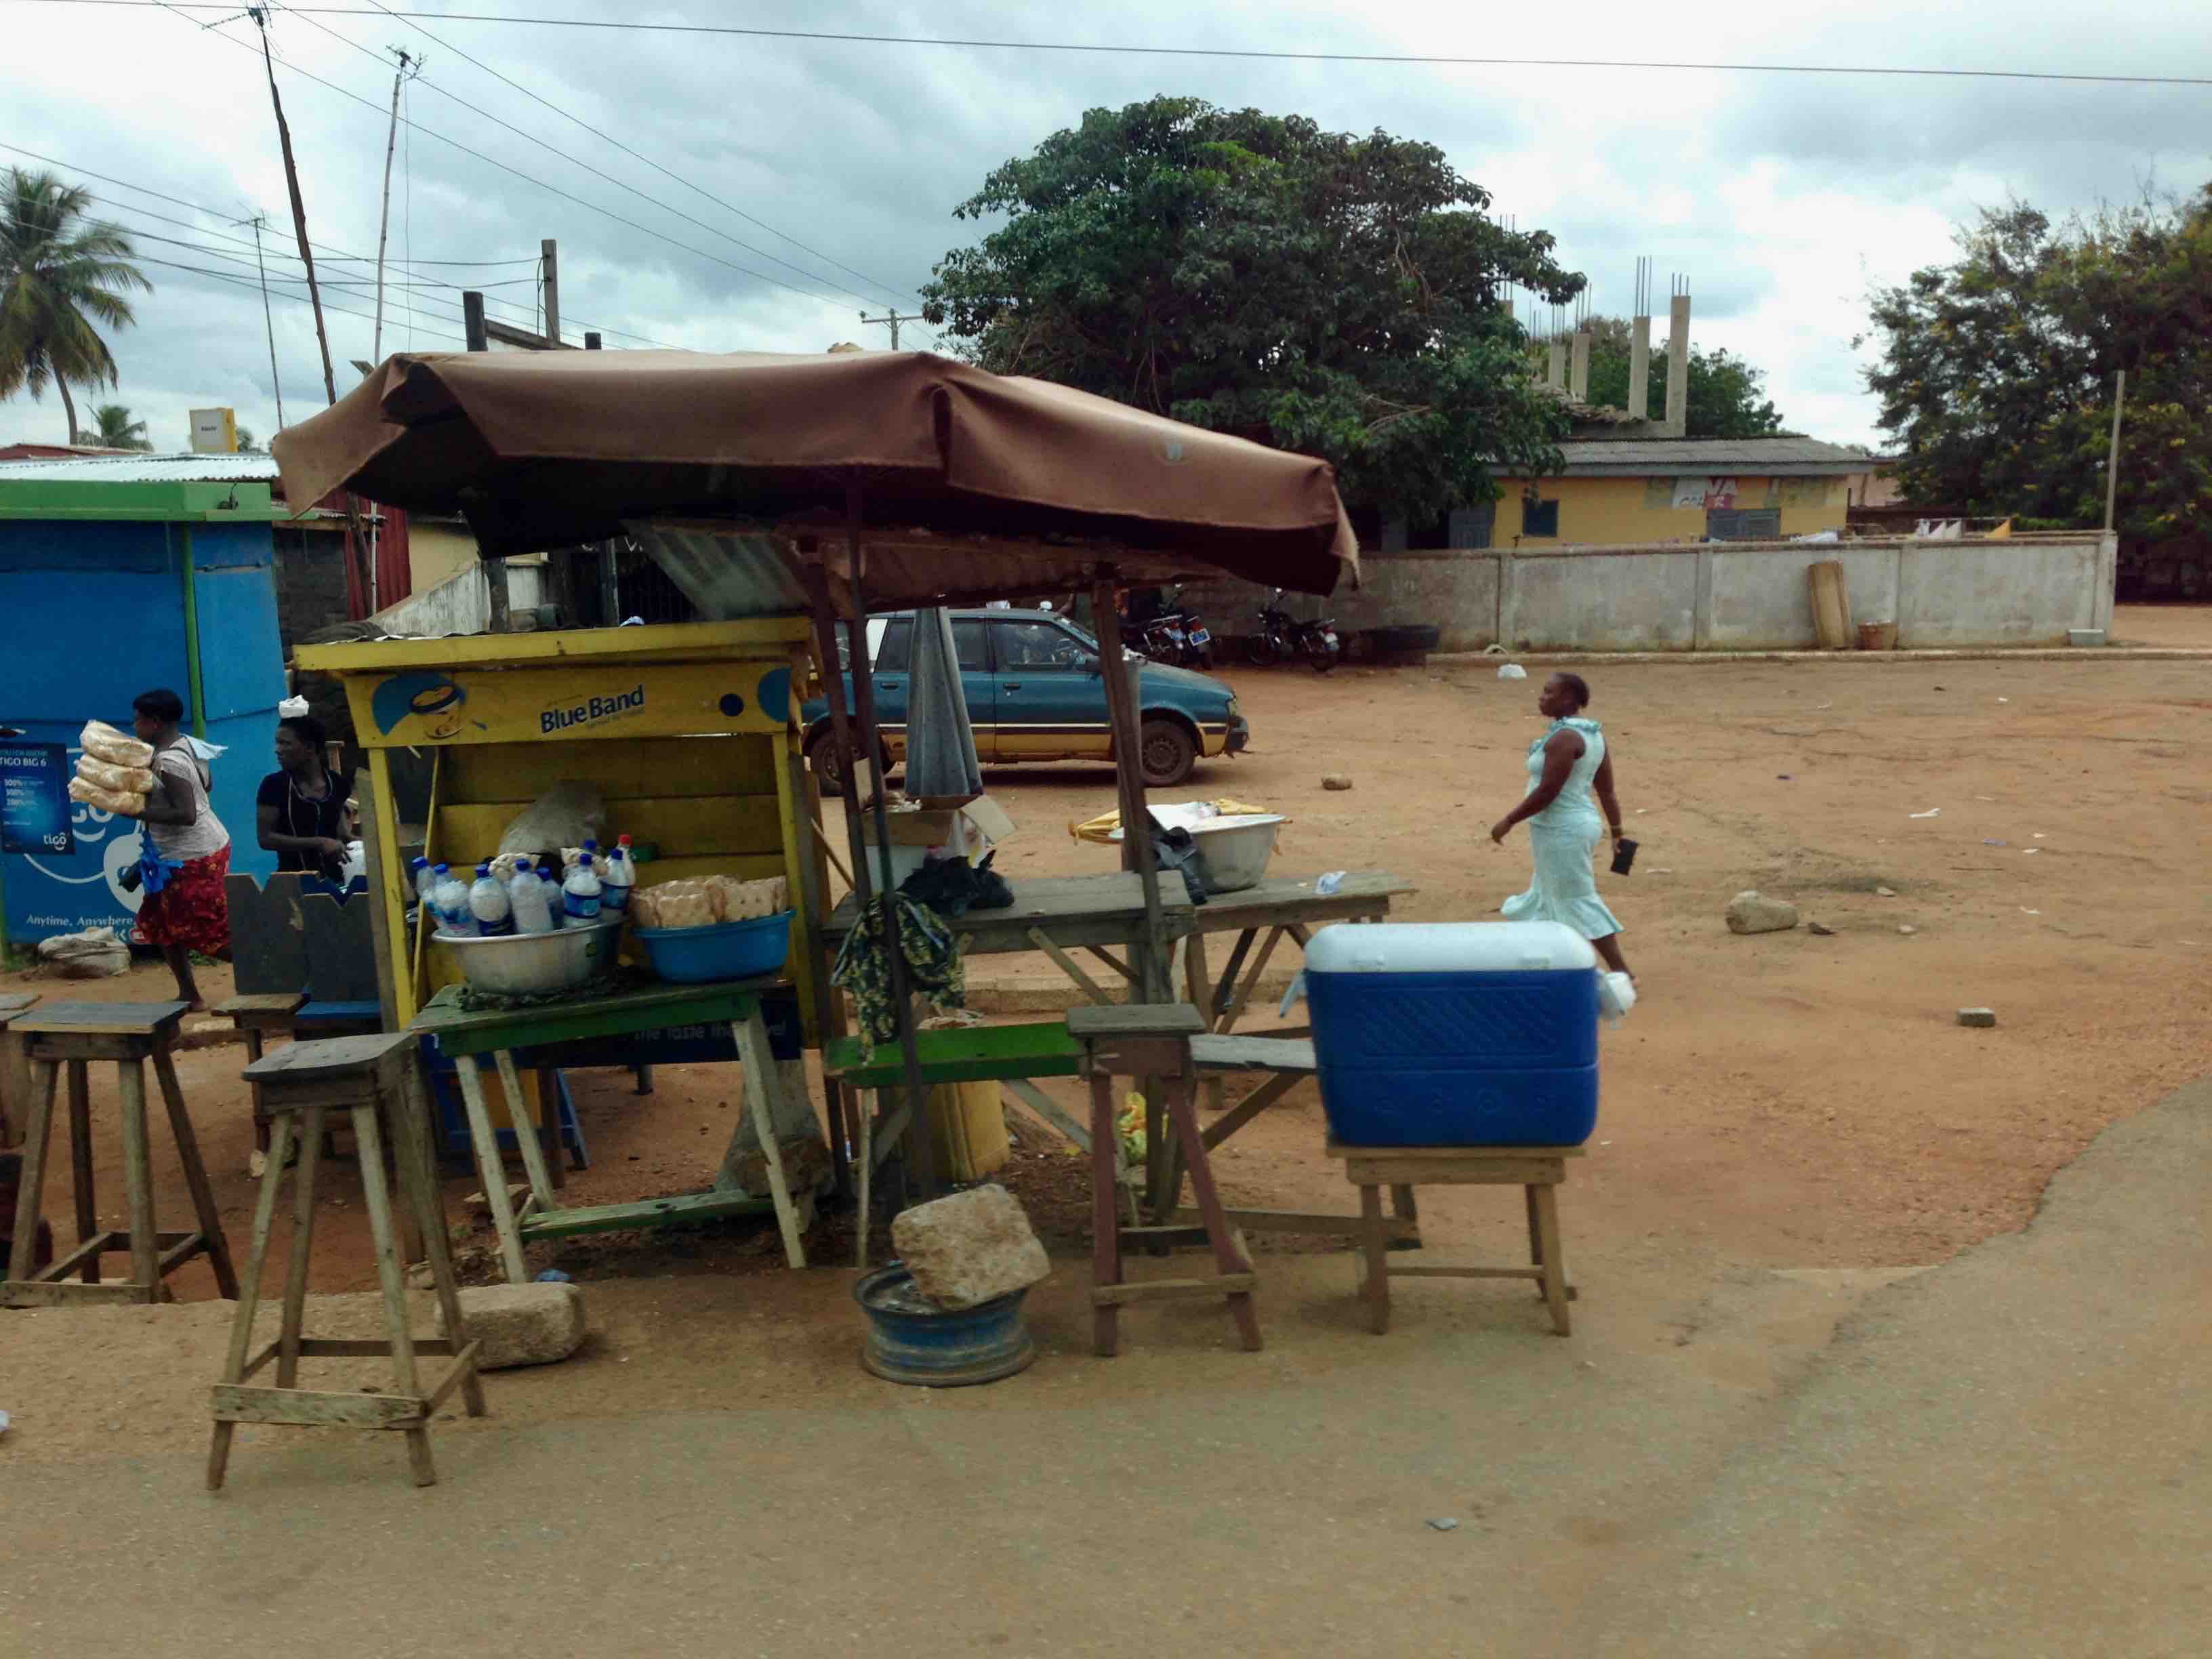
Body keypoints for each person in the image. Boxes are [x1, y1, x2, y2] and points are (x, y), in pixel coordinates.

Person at [1489, 672, 1633, 981]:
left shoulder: (1565, 738)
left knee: (1576, 898)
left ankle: (1623, 973)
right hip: (1572, 826)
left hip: (1562, 829)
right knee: (1547, 894)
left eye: (1548, 692)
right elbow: (1606, 790)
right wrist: (1617, 832)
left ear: (1568, 699)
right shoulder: (1593, 734)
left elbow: (1547, 792)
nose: (1541, 697)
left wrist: (1509, 821)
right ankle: (1547, 966)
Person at [125, 688, 231, 1011]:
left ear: (155, 722)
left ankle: (270, 975)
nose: (134, 726)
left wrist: (139, 811)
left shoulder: (168, 761)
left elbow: (186, 815)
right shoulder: (188, 744)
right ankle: (189, 994)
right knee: (163, 922)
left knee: (207, 930)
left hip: (193, 855)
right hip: (171, 853)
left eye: (139, 721)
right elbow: (207, 786)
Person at [257, 714, 349, 879]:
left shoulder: (337, 783)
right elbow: (265, 838)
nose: (277, 750)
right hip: (293, 883)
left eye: (285, 743)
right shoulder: (274, 786)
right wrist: (319, 842)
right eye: (277, 743)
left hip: (337, 882)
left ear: (309, 748)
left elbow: (342, 834)